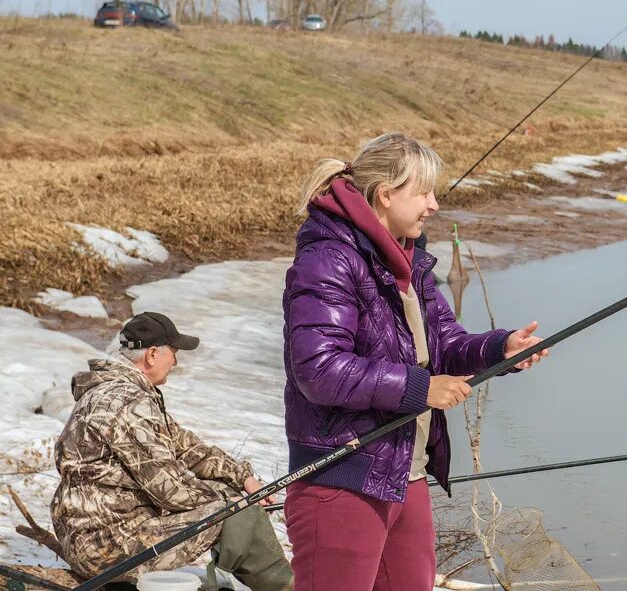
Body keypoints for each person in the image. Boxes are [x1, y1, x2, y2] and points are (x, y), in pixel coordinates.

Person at [283, 132, 549, 591]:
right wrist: (420, 389)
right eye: (423, 192)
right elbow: (318, 369)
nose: (433, 205)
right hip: (342, 476)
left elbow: (442, 342)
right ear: (386, 195)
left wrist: (498, 350)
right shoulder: (328, 258)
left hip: (405, 471)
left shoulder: (407, 259)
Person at [51, 313, 291, 590]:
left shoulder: (121, 392)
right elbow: (171, 490)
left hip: (98, 534)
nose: (175, 362)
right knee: (236, 513)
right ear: (152, 354)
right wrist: (233, 500)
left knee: (234, 504)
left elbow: (185, 446)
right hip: (104, 545)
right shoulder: (125, 403)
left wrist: (241, 477)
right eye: (173, 353)